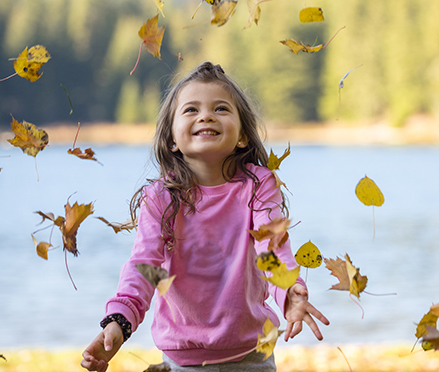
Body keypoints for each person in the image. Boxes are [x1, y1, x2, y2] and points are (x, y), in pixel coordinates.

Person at [81, 61, 329, 372]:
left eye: (221, 109)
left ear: (242, 136)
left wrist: (289, 290)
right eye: (190, 110)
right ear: (172, 138)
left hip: (252, 356)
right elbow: (144, 267)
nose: (206, 115)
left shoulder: (258, 185)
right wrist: (120, 321)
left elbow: (272, 246)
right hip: (182, 358)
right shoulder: (161, 197)